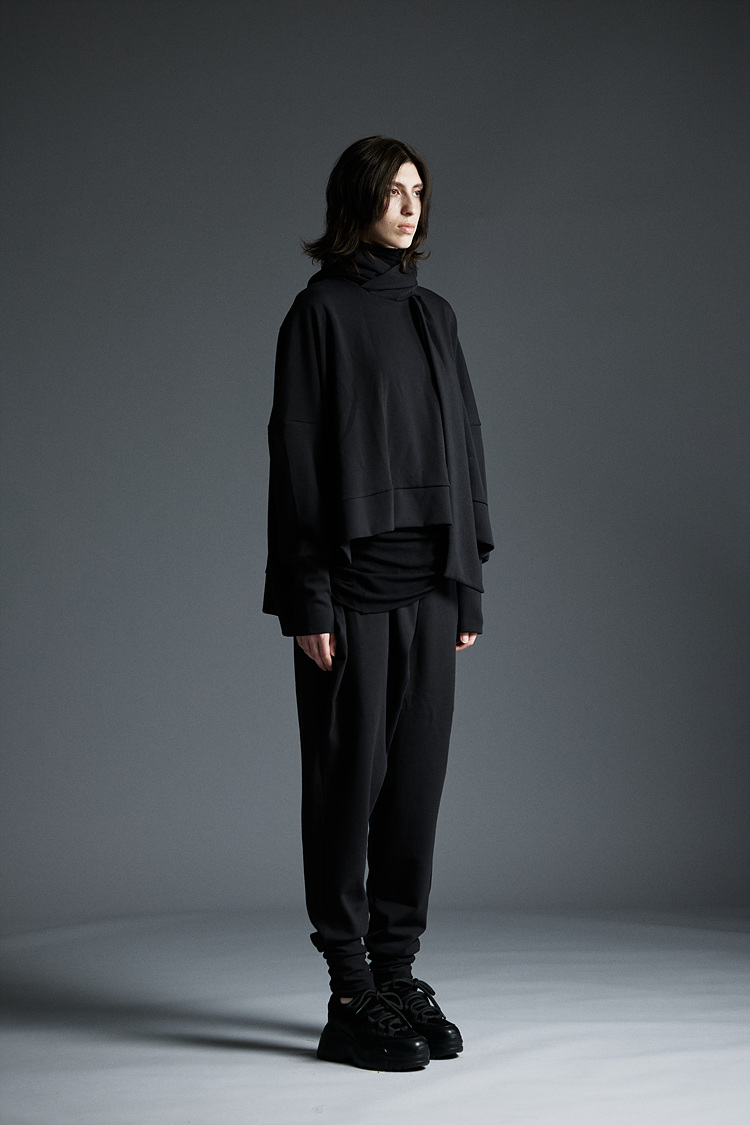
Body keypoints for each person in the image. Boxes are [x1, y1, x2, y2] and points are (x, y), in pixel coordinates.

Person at [263, 136, 493, 1071]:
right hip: (351, 587)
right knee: (344, 786)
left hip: (432, 585)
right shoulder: (317, 313)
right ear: (355, 201)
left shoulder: (435, 313)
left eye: (417, 192)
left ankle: (397, 972)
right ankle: (350, 990)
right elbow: (297, 457)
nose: (408, 207)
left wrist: (467, 577)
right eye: (392, 191)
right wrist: (308, 595)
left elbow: (465, 443)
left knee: (414, 790)